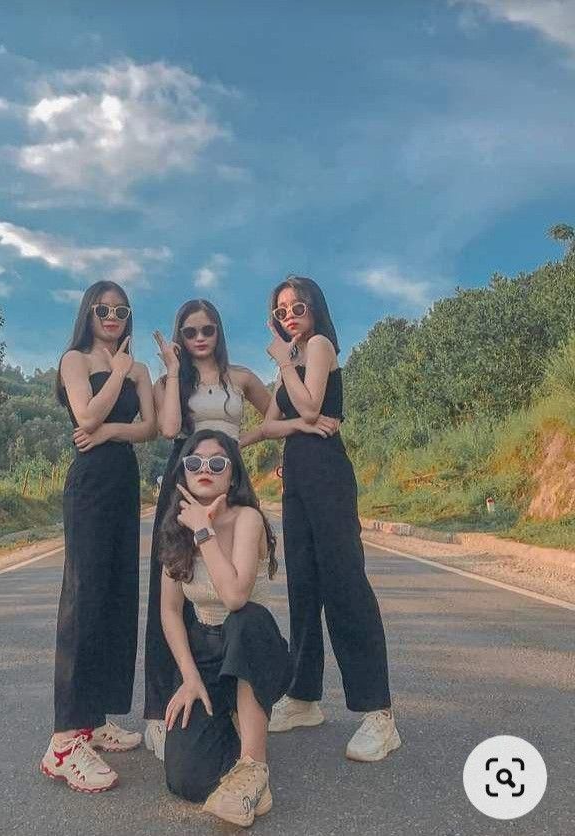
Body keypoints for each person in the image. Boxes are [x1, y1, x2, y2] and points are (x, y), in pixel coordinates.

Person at [260, 275, 401, 762]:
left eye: (297, 306)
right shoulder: (292, 362)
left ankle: (378, 715)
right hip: (296, 476)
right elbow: (272, 424)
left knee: (344, 584)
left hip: (326, 471)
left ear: (315, 309)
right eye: (281, 311)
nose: (289, 315)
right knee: (303, 587)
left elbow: (311, 403)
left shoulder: (317, 347)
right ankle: (302, 698)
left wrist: (285, 368)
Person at [140, 299, 272, 760]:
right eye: (190, 330)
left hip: (228, 476)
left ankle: (241, 696)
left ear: (219, 331)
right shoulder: (170, 380)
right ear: (180, 334)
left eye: (207, 329)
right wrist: (174, 371)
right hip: (187, 479)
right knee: (171, 595)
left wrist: (244, 441)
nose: (199, 337)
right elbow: (170, 428)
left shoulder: (242, 377)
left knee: (237, 592)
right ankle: (158, 712)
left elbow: (276, 415)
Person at [39, 281, 157, 793]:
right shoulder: (74, 360)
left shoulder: (141, 369)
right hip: (88, 485)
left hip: (123, 482)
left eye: (121, 310)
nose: (112, 316)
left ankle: (97, 720)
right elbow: (85, 415)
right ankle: (64, 740)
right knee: (83, 600)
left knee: (116, 598)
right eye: (103, 309)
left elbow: (151, 426)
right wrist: (119, 376)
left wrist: (111, 431)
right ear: (88, 313)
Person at [158, 430, 291, 827]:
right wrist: (189, 678)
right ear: (183, 471)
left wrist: (204, 530)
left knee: (245, 617)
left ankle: (253, 767)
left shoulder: (247, 519)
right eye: (194, 462)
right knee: (187, 780)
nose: (204, 470)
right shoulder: (176, 526)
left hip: (253, 645)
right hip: (205, 650)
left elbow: (234, 596)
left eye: (217, 463)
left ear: (232, 476)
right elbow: (169, 610)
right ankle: (233, 728)